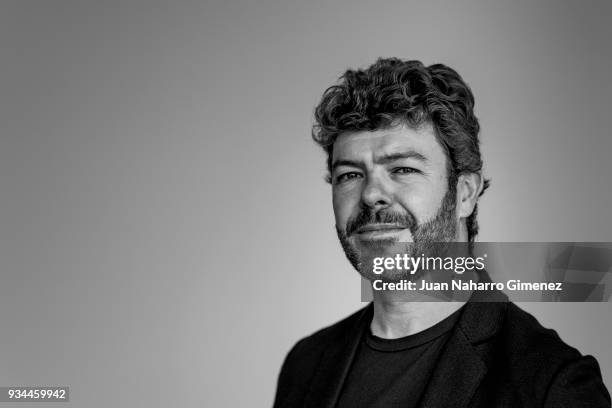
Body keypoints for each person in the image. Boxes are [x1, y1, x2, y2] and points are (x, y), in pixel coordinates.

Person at [273, 58, 610, 408]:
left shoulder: (553, 386)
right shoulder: (305, 365)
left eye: (403, 168)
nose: (371, 194)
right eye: (350, 175)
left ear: (464, 193)